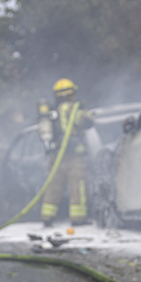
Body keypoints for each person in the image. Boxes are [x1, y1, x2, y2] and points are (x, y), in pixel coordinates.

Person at [39, 78, 95, 228]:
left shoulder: (53, 111)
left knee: (54, 186)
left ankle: (47, 217)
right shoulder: (72, 108)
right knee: (78, 185)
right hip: (74, 156)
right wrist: (84, 111)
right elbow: (88, 122)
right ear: (71, 94)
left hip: (56, 156)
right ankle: (78, 219)